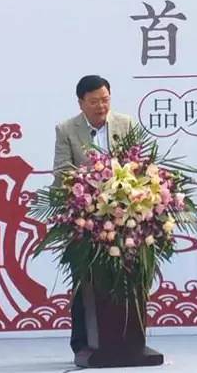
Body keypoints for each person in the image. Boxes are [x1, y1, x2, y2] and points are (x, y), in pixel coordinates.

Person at [52, 75, 135, 354]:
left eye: (105, 100)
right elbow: (62, 171)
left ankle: (128, 340)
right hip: (85, 217)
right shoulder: (66, 129)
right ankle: (82, 343)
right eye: (94, 102)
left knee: (127, 277)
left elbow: (138, 164)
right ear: (81, 103)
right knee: (85, 280)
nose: (101, 106)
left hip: (124, 215)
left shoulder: (125, 124)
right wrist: (93, 185)